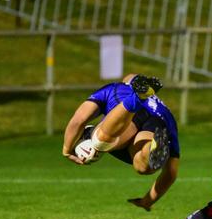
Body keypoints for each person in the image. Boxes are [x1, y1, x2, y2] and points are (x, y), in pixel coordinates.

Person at [62, 74, 179, 211]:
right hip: (160, 121)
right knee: (142, 167)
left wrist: (66, 149)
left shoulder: (115, 89)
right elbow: (170, 172)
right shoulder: (166, 114)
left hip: (130, 112)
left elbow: (78, 120)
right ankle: (150, 148)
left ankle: (135, 100)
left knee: (100, 141)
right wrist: (147, 201)